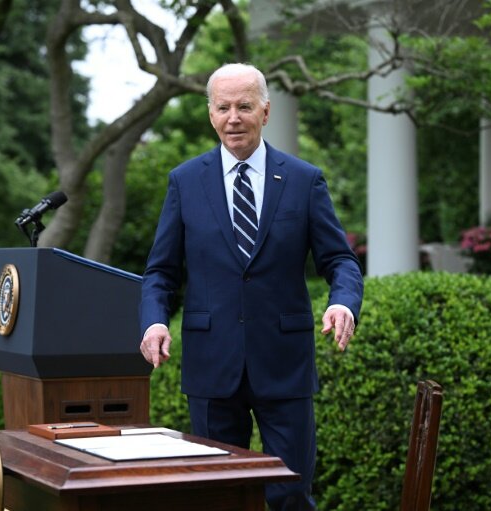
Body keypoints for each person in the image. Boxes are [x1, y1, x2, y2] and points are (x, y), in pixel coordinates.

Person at [139, 63, 364, 510]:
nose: (233, 117)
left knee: (291, 491)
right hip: (211, 365)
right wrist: (154, 323)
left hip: (284, 363)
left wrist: (344, 304)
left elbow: (339, 260)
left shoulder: (303, 180)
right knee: (217, 494)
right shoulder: (185, 181)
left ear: (266, 111)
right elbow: (161, 271)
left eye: (244, 106)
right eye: (223, 107)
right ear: (210, 113)